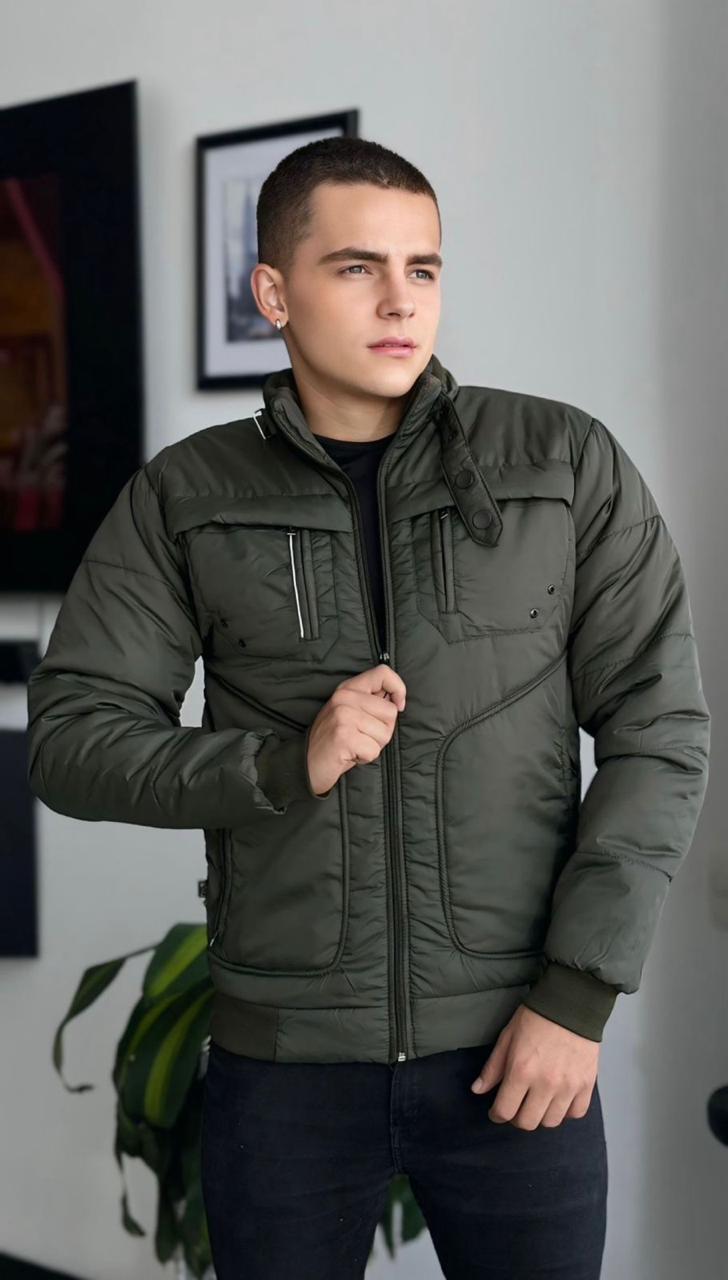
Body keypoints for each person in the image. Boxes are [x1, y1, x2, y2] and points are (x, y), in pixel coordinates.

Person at [25, 136, 711, 1279]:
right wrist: (277, 763)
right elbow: (71, 741)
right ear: (273, 292)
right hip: (283, 1071)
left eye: (421, 267)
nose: (401, 300)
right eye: (355, 267)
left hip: (520, 1047)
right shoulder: (187, 493)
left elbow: (658, 730)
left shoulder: (560, 463)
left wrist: (575, 997)